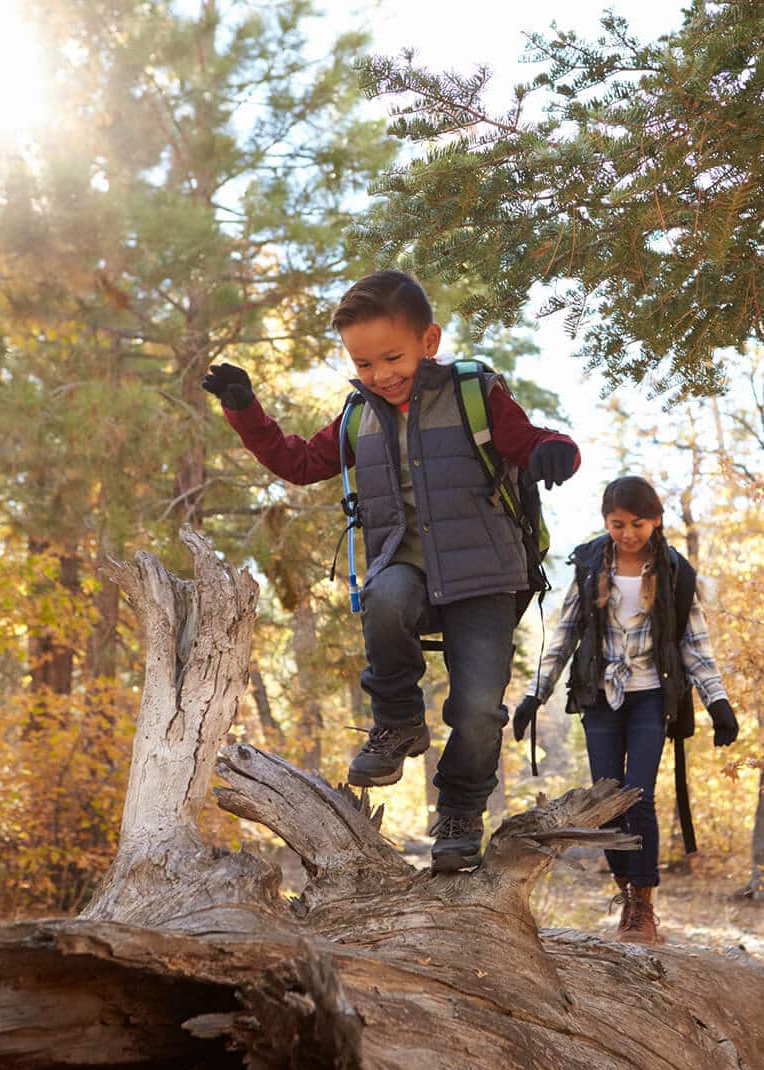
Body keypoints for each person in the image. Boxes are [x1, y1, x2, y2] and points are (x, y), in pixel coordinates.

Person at [202, 270, 580, 872]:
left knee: (480, 709)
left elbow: (528, 440)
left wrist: (555, 451)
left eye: (392, 356)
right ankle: (399, 722)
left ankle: (458, 815)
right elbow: (299, 463)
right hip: (405, 562)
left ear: (429, 341)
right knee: (381, 593)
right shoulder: (359, 416)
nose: (380, 373)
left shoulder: (473, 393)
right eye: (364, 361)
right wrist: (246, 411)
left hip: (484, 576)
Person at [511, 476, 739, 944]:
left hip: (652, 696)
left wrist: (718, 702)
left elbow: (695, 645)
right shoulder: (590, 563)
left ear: (655, 520)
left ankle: (642, 905)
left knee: (639, 796)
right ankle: (625, 895)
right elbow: (566, 634)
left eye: (638, 523)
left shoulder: (675, 572)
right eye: (618, 524)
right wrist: (536, 694)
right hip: (600, 696)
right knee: (607, 801)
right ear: (605, 522)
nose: (628, 533)